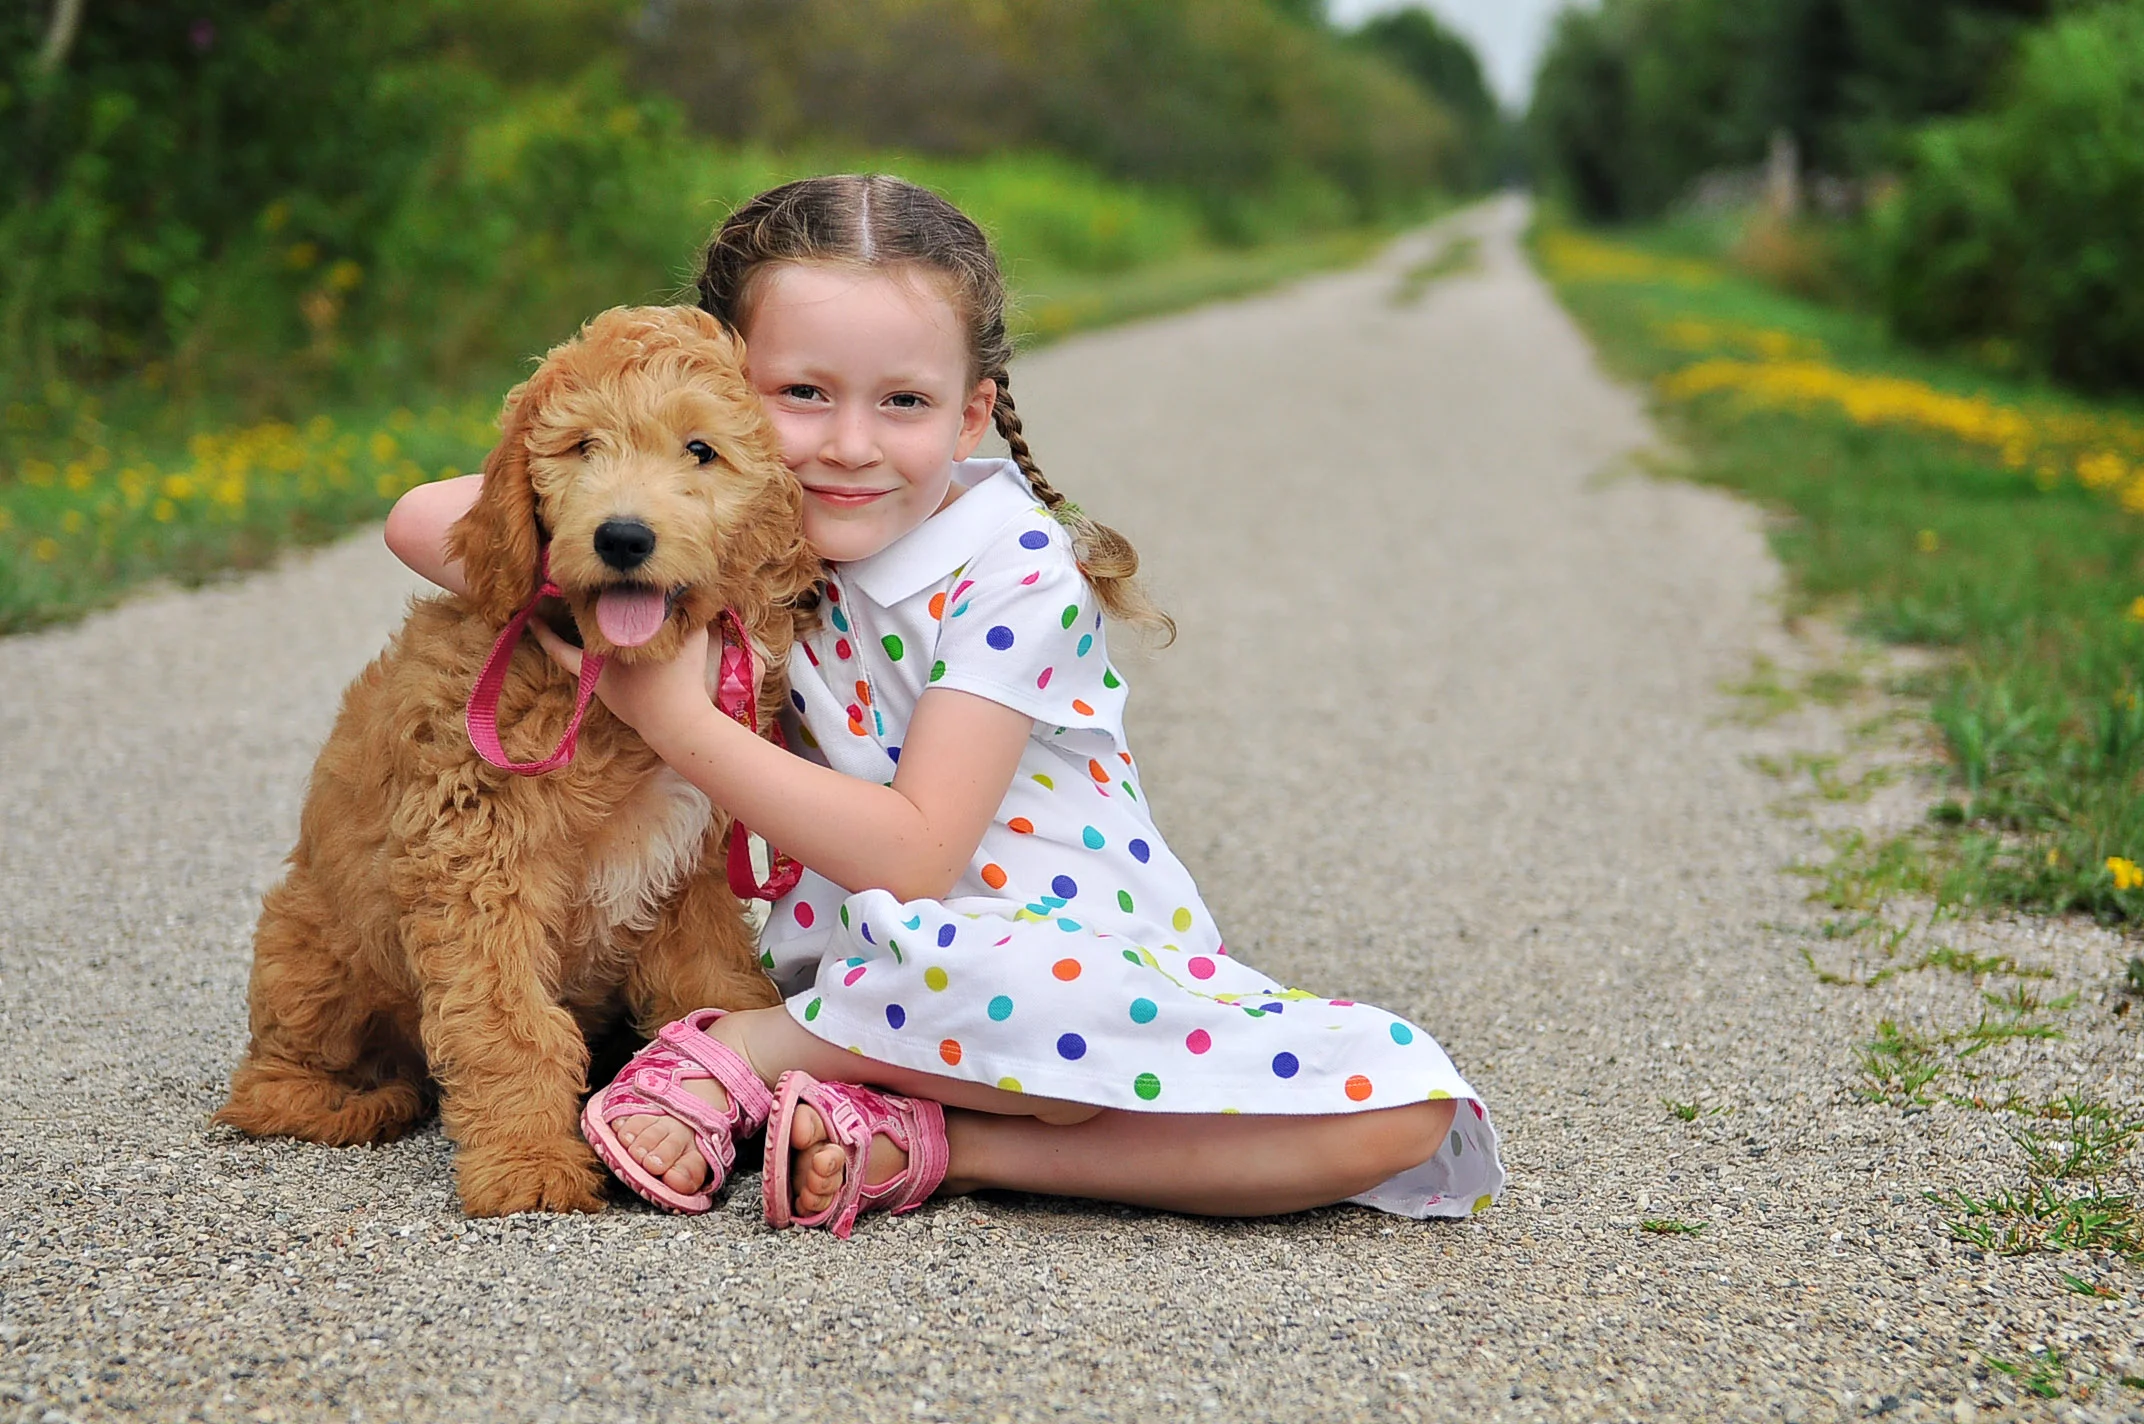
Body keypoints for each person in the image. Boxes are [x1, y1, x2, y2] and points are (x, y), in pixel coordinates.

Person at [385, 174, 1504, 1236]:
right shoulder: (734, 543)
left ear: (970, 417)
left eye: (903, 402)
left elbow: (918, 856)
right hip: (871, 976)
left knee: (1403, 1109)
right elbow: (421, 519)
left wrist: (673, 714)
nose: (850, 446)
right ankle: (879, 1106)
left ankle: (821, 1088)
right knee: (1012, 1026)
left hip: (1049, 957)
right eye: (802, 395)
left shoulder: (1013, 568)